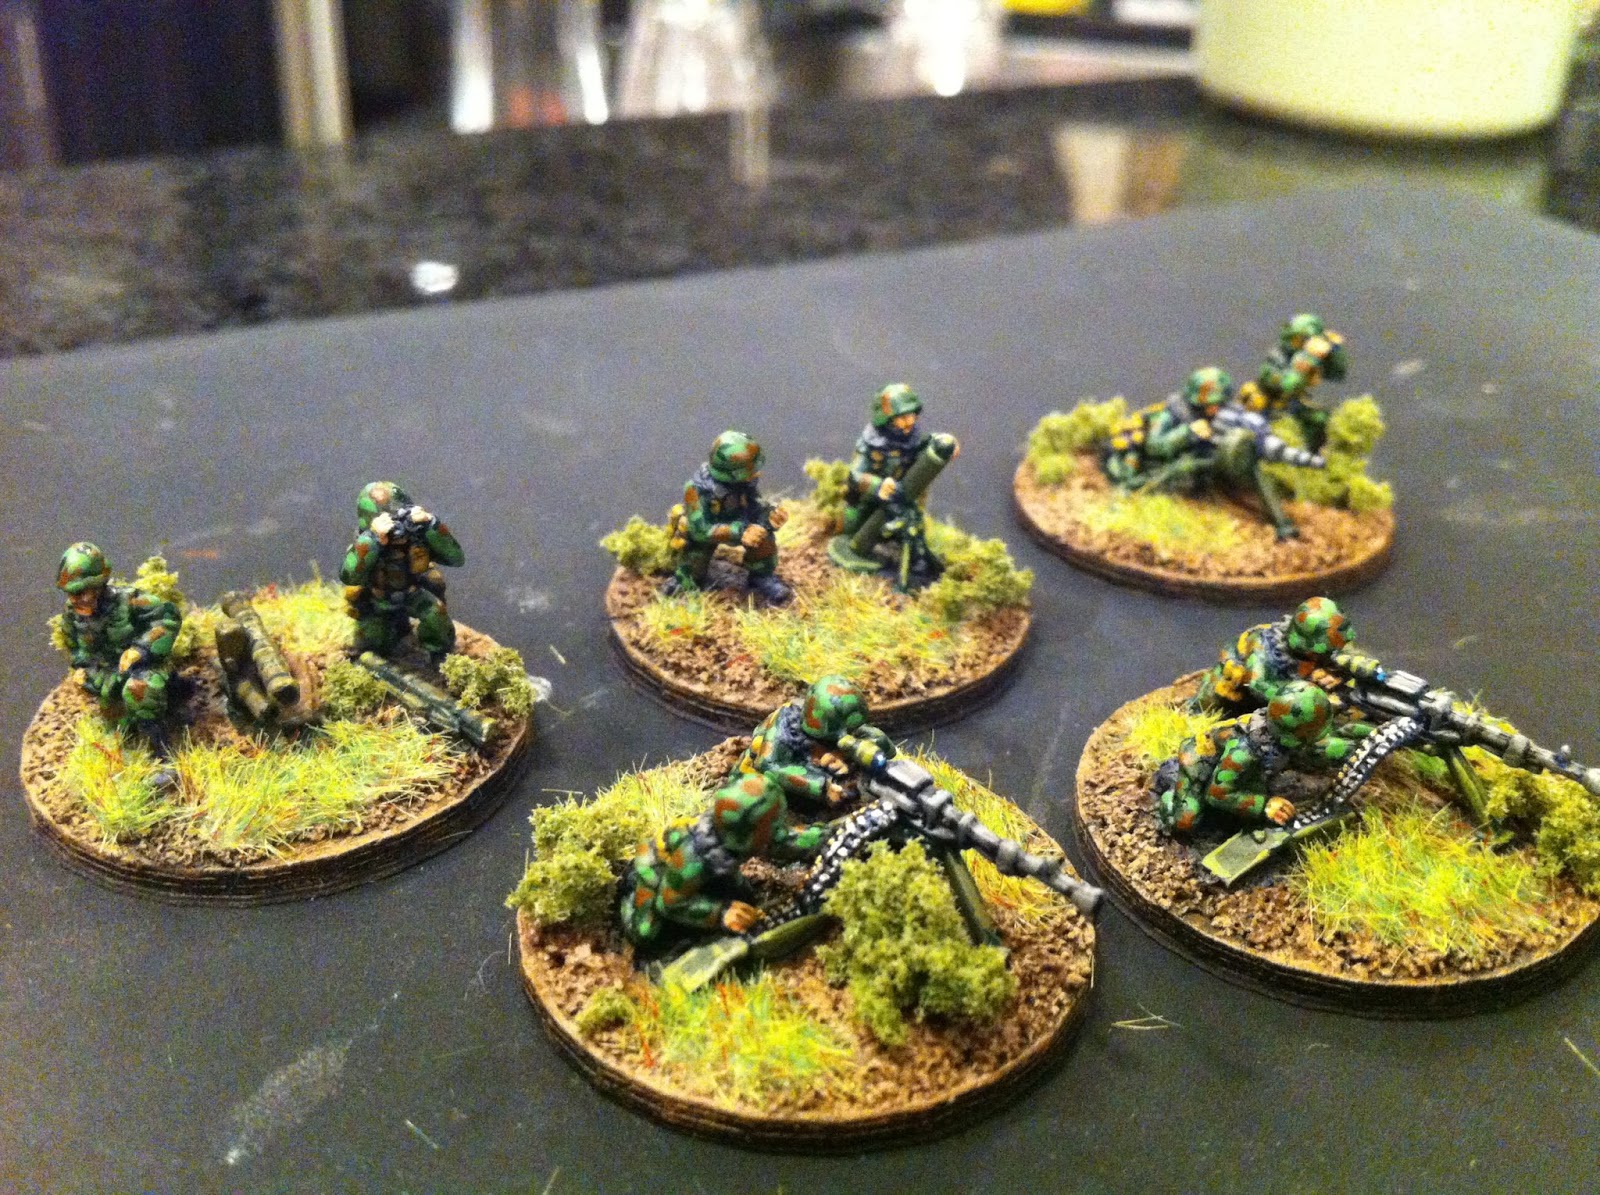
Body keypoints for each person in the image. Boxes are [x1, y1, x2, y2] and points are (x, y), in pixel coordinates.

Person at [619, 771, 830, 950]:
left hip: (707, 873)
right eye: (770, 826)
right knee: (645, 932)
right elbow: (670, 903)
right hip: (656, 870)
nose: (776, 831)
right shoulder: (696, 855)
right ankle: (630, 890)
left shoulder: (752, 833)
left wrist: (824, 837)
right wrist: (720, 913)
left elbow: (783, 841)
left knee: (745, 895)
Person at [1155, 681, 1374, 836]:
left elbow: (1317, 744)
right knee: (1185, 821)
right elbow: (1217, 794)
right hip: (1200, 760)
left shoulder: (1286, 730)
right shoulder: (1244, 752)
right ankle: (1171, 786)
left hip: (1245, 765)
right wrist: (1264, 805)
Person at [55, 541, 183, 750]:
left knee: (140, 692)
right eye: (73, 594)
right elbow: (74, 645)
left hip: (144, 666)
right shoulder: (72, 616)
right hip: (107, 675)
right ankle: (127, 740)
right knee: (117, 724)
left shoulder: (129, 601)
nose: (79, 600)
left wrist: (140, 649)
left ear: (99, 586)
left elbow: (167, 619)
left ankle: (161, 752)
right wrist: (80, 667)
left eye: (85, 592)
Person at [841, 384, 958, 585]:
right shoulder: (870, 443)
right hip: (867, 502)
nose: (910, 422)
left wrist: (944, 442)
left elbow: (927, 444)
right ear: (886, 418)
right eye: (903, 417)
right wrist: (879, 485)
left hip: (900, 498)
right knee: (853, 529)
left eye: (912, 415)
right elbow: (854, 476)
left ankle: (916, 566)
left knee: (910, 527)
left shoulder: (912, 437)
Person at [1193, 595, 1385, 716]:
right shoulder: (1264, 646)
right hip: (1238, 692)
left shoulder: (1323, 648)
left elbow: (1345, 653)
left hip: (1296, 684)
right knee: (1209, 702)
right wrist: (1315, 700)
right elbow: (1259, 685)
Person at [340, 480, 465, 660]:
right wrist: (373, 538)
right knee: (375, 642)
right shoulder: (366, 544)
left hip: (412, 594)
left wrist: (432, 525)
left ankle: (438, 656)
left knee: (437, 619)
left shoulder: (417, 536)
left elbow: (456, 558)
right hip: (378, 600)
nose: (397, 528)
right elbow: (349, 575)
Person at [733, 675, 895, 810]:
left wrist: (854, 750)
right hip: (764, 787)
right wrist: (822, 787)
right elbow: (769, 765)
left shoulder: (843, 723)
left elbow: (886, 748)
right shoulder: (786, 726)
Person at [666, 430, 791, 604]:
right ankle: (686, 581)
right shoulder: (695, 490)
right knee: (694, 558)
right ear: (733, 473)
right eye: (750, 470)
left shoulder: (744, 483)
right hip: (709, 532)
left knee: (764, 538)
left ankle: (761, 576)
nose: (757, 474)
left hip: (739, 525)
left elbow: (755, 506)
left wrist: (768, 518)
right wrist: (741, 531)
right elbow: (700, 530)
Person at [1235, 313, 1349, 451]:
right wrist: (1307, 359)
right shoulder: (1276, 357)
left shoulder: (1310, 355)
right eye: (1296, 339)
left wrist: (1334, 349)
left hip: (1293, 404)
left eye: (1301, 340)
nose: (1296, 343)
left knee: (1321, 420)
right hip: (1268, 407)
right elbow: (1286, 385)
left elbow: (1338, 373)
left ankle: (1314, 455)